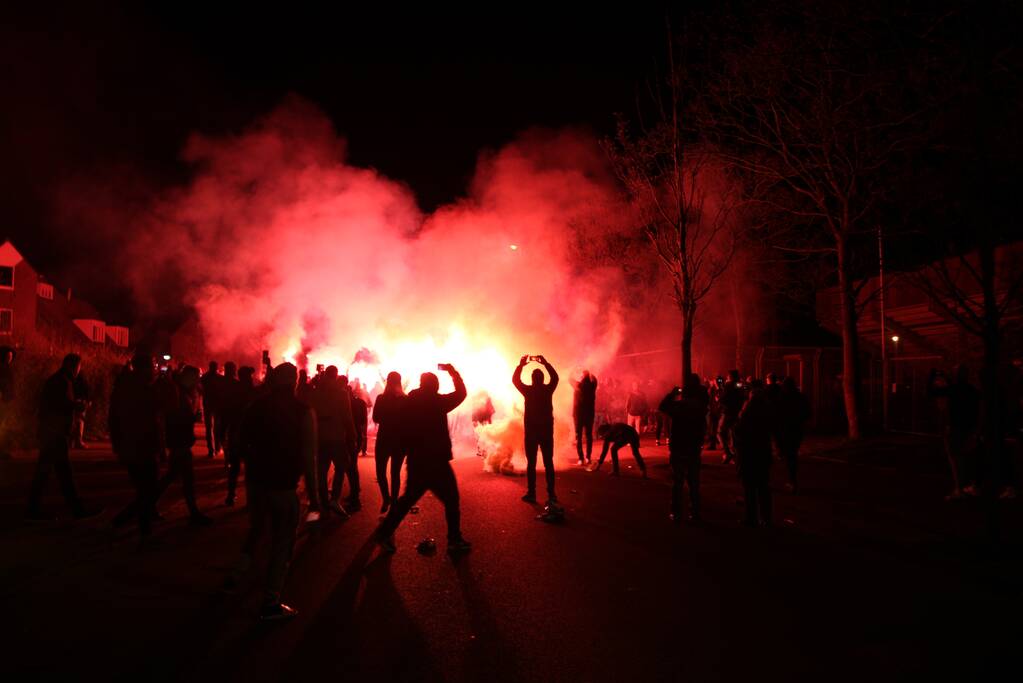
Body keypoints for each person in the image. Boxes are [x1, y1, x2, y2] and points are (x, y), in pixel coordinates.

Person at [223, 362, 319, 621]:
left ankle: (236, 575)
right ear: (294, 383)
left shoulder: (256, 407)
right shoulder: (303, 412)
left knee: (256, 530)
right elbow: (310, 458)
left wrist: (252, 464)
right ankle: (271, 601)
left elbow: (239, 443)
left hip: (257, 483)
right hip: (284, 487)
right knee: (282, 543)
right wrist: (315, 499)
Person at [374, 364, 471, 554]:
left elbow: (399, 424)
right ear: (434, 386)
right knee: (451, 499)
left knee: (406, 500)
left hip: (417, 459)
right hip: (436, 460)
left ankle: (383, 533)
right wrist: (453, 372)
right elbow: (461, 393)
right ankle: (454, 540)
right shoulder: (437, 401)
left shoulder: (409, 401)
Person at [25, 354, 102, 521]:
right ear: (72, 366)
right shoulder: (62, 382)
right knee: (62, 473)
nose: (79, 370)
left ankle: (34, 509)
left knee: (47, 473)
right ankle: (76, 509)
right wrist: (77, 405)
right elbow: (60, 405)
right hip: (55, 434)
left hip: (51, 433)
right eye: (78, 367)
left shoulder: (59, 380)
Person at [109, 353, 163, 541]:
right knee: (148, 489)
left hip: (133, 445)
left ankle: (135, 524)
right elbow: (153, 420)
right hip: (142, 446)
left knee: (145, 489)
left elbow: (113, 418)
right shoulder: (143, 389)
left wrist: (118, 444)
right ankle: (139, 528)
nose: (155, 370)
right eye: (152, 366)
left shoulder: (124, 387)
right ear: (145, 368)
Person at [659, 374, 708, 522]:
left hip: (679, 447)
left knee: (678, 482)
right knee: (694, 483)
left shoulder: (680, 406)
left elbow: (662, 407)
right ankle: (695, 512)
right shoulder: (700, 408)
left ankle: (676, 512)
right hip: (693, 448)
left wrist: (672, 394)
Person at [309, 366, 356, 517]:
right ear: (335, 376)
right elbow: (348, 417)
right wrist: (352, 436)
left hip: (320, 438)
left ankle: (323, 502)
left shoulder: (315, 393)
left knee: (321, 471)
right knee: (341, 467)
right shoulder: (341, 394)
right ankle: (334, 499)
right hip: (336, 437)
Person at [928, 366, 981, 500]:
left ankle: (959, 488)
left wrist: (932, 375)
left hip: (956, 428)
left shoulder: (953, 389)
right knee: (969, 457)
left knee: (955, 458)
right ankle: (971, 485)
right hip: (969, 428)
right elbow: (978, 410)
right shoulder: (973, 390)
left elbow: (932, 392)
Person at [513, 355, 559, 504]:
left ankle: (532, 493)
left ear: (533, 379)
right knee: (548, 463)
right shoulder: (548, 390)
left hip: (532, 433)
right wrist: (545, 363)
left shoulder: (528, 391)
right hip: (546, 432)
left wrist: (521, 365)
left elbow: (515, 380)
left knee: (531, 464)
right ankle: (551, 495)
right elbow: (555, 378)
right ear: (542, 378)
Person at [735, 385, 773, 527]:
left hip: (749, 454)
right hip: (763, 453)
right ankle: (766, 518)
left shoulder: (747, 412)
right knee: (763, 487)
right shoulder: (767, 411)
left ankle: (751, 518)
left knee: (750, 488)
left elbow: (739, 432)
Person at [225, 366, 261, 506]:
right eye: (250, 376)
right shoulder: (252, 392)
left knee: (234, 468)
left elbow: (226, 412)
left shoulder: (233, 391)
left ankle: (231, 495)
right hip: (249, 435)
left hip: (236, 433)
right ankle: (249, 500)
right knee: (250, 469)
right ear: (247, 376)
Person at [372, 371, 407, 515]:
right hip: (399, 440)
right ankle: (392, 501)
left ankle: (387, 498)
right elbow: (409, 422)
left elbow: (376, 418)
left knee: (380, 472)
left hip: (384, 439)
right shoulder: (405, 399)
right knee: (395, 473)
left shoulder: (381, 398)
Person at [776, 377, 811, 493]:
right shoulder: (801, 397)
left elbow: (777, 413)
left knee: (790, 455)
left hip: (786, 429)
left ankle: (792, 481)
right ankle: (792, 479)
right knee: (792, 454)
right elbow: (807, 413)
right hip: (797, 429)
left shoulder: (782, 397)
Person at [337, 375, 363, 511]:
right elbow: (362, 421)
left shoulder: (342, 399)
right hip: (352, 436)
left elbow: (347, 419)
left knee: (350, 467)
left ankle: (355, 498)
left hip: (348, 437)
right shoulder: (358, 402)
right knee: (351, 467)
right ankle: (354, 494)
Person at [719, 370, 745, 464]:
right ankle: (735, 455)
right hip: (736, 412)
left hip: (727, 412)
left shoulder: (728, 385)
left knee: (720, 432)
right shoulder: (739, 385)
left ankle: (727, 453)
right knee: (733, 433)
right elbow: (742, 396)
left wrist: (719, 398)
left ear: (730, 376)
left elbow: (724, 398)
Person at [572, 370, 598, 465]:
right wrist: (591, 372)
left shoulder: (578, 386)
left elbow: (569, 378)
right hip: (589, 415)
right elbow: (595, 380)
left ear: (582, 377)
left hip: (578, 415)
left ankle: (581, 458)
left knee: (578, 437)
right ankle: (588, 457)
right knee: (589, 436)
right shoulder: (592, 386)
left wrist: (573, 369)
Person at [200, 362, 223, 458]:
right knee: (217, 427)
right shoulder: (220, 378)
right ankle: (217, 448)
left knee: (209, 428)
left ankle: (211, 450)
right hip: (217, 405)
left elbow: (200, 389)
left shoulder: (204, 378)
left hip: (208, 404)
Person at [0, 346, 15, 460]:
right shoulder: (2, 368)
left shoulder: (8, 368)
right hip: (3, 401)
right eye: (7, 356)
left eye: (10, 356)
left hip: (6, 400)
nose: (9, 358)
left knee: (4, 425)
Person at [71, 370, 90, 449]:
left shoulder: (69, 378)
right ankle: (78, 441)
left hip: (75, 402)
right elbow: (87, 390)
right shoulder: (81, 379)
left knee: (75, 422)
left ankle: (73, 441)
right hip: (79, 402)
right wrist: (87, 400)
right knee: (79, 422)